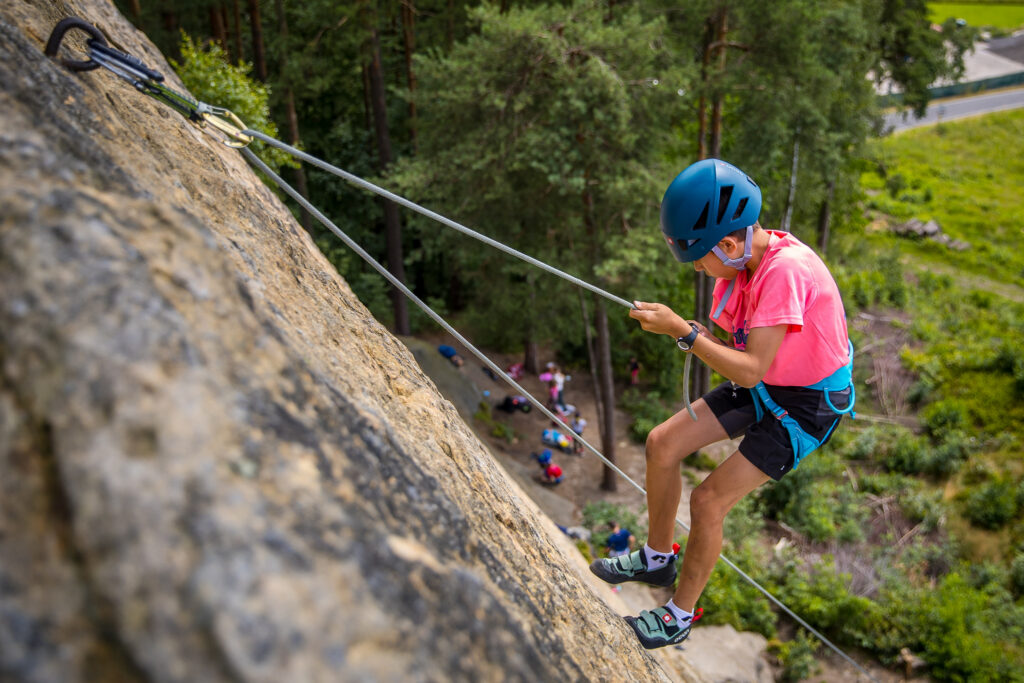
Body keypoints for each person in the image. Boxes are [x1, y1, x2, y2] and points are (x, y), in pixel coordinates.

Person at [589, 159, 854, 650]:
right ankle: (655, 557)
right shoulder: (742, 260)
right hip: (768, 381)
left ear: (729, 244)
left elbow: (750, 368)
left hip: (805, 406)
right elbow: (746, 360)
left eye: (699, 258)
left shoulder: (785, 272)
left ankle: (678, 615)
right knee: (661, 444)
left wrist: (685, 333)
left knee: (708, 500)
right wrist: (694, 335)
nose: (697, 267)